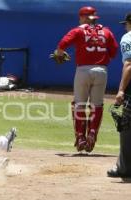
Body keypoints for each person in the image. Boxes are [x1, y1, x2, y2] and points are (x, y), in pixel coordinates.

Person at [54, 6, 118, 152]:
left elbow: (62, 45)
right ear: (94, 18)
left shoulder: (78, 30)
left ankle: (80, 136)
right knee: (97, 105)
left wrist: (59, 53)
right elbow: (113, 52)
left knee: (79, 104)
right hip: (101, 70)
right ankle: (93, 132)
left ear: (83, 17)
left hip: (83, 70)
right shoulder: (106, 31)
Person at [107, 13, 131, 178]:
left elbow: (129, 64)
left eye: (126, 24)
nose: (125, 26)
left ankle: (124, 168)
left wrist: (121, 90)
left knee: (127, 128)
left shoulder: (128, 37)